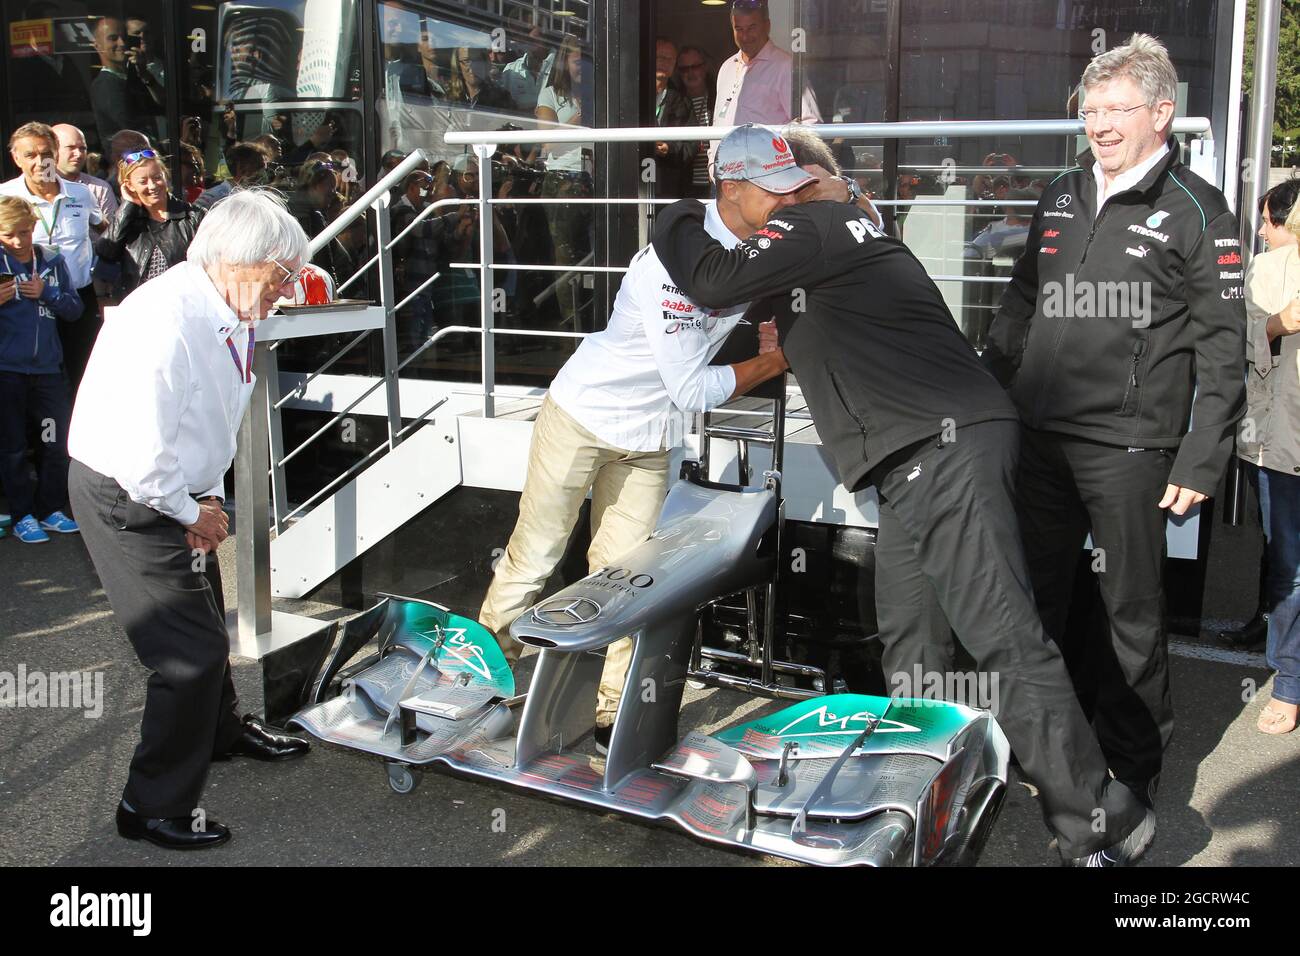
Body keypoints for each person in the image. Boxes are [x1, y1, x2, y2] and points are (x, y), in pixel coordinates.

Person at [652, 123, 1155, 866]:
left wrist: (670, 211)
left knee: (1004, 637)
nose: (789, 199)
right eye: (780, 187)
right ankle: (919, 796)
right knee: (913, 638)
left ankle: (1100, 825)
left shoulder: (812, 222)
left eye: (796, 184)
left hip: (942, 448)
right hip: (922, 455)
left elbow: (709, 278)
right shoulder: (846, 229)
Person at [981, 34, 1245, 809]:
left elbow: (1223, 348)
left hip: (1131, 449)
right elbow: (1024, 298)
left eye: (1117, 108)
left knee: (1132, 612)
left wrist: (1202, 459)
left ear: (1162, 114)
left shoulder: (1199, 209)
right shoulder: (1061, 191)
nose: (1098, 123)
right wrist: (993, 387)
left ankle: (1135, 769)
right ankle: (1046, 745)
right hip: (1039, 438)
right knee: (1037, 599)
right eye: (1089, 109)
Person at [478, 129, 796, 755]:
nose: (785, 202)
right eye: (774, 190)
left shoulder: (759, 241)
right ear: (731, 188)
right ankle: (479, 686)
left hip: (650, 439)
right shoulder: (676, 259)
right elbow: (690, 389)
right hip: (582, 415)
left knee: (626, 580)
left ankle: (610, 720)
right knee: (534, 557)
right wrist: (772, 362)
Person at [68, 189, 312, 851]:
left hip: (180, 489)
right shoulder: (165, 319)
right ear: (238, 260)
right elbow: (142, 457)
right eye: (281, 275)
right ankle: (149, 807)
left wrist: (200, 499)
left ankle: (220, 735)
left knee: (205, 618)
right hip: (132, 495)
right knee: (187, 654)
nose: (286, 292)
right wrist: (191, 513)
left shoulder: (224, 301)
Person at [1239, 180, 1300, 734]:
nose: (1262, 231)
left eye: (1268, 220)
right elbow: (1244, 338)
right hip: (1281, 440)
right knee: (1286, 559)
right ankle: (1288, 683)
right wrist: (1280, 323)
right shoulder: (1266, 270)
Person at [0, 196, 83, 544]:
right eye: (9, 234)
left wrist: (47, 293)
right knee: (13, 446)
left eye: (24, 231)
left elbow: (75, 310)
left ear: (34, 226)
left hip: (48, 373)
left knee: (53, 441)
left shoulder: (51, 260)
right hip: (8, 372)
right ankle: (22, 515)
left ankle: (50, 509)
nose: (18, 240)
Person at [0, 123, 103, 390]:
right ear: (16, 158)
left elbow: (102, 229)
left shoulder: (81, 193)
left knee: (83, 380)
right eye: (30, 155)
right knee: (32, 387)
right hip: (27, 305)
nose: (39, 162)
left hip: (77, 299)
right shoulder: (5, 196)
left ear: (55, 154)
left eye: (45, 153)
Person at [710, 0, 821, 166]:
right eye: (739, 29)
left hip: (766, 180)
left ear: (767, 25)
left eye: (751, 28)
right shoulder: (726, 68)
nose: (745, 36)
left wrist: (775, 162)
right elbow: (718, 124)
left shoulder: (785, 66)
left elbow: (811, 127)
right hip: (724, 179)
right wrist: (712, 165)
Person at [537, 36, 593, 329]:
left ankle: (598, 320)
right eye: (575, 60)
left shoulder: (600, 93)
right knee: (567, 256)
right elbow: (547, 143)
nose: (581, 66)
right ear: (564, 63)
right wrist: (579, 119)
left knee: (598, 253)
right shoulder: (550, 95)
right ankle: (572, 323)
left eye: (585, 60)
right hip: (563, 180)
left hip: (598, 179)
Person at [95, 149, 203, 297]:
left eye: (157, 177)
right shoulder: (127, 219)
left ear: (165, 176)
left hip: (184, 303)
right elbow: (106, 252)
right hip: (140, 306)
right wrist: (128, 205)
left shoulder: (193, 216)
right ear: (129, 185)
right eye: (143, 181)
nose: (152, 186)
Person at [89, 16, 158, 147]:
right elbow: (132, 130)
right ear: (97, 45)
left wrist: (144, 74)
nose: (122, 43)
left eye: (124, 38)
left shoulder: (131, 77)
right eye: (113, 38)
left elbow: (162, 105)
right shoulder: (106, 84)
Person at [652, 37, 696, 199]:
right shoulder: (633, 96)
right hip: (634, 179)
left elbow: (691, 145)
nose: (664, 62)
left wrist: (669, 149)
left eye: (669, 59)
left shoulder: (683, 101)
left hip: (668, 185)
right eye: (659, 57)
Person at [52, 124, 118, 224]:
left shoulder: (99, 188)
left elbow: (114, 234)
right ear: (52, 150)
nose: (78, 154)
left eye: (82, 148)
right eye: (71, 147)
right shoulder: (30, 188)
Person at [676, 46, 716, 199]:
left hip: (714, 182)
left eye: (695, 67)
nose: (690, 73)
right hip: (686, 185)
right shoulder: (675, 102)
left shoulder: (719, 97)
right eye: (684, 69)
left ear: (704, 68)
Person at [194, 142, 270, 211]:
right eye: (259, 167)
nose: (263, 174)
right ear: (240, 166)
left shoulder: (252, 200)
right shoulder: (217, 195)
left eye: (265, 169)